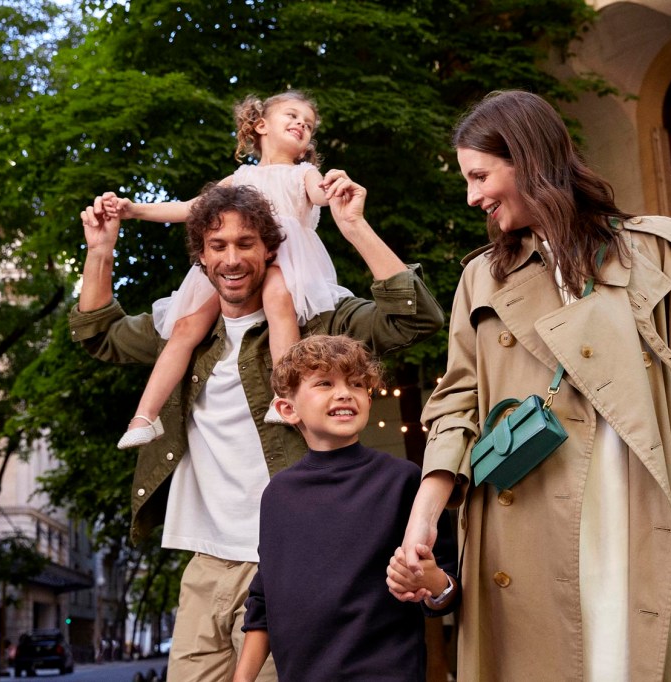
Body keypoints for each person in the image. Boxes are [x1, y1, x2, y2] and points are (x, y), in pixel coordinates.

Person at [392, 90, 671, 681]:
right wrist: (425, 514)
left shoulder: (655, 251)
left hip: (640, 506)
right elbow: (456, 404)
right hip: (523, 520)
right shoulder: (482, 277)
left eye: (480, 175)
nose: (472, 196)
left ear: (528, 159)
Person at [71, 178, 444, 681]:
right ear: (201, 256)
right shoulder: (186, 332)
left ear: (270, 247)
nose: (231, 259)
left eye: (246, 243)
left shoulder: (317, 323)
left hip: (288, 569)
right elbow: (100, 334)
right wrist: (100, 251)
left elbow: (414, 318)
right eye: (218, 245)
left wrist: (353, 225)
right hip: (205, 563)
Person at [108, 90, 354, 449]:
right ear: (261, 125)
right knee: (186, 325)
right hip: (236, 258)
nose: (301, 124)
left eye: (308, 124)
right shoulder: (240, 176)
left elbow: (319, 195)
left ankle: (282, 395)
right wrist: (136, 211)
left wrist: (333, 183)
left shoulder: (304, 173)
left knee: (278, 301)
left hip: (282, 256)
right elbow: (192, 208)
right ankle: (145, 416)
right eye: (292, 115)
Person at [233, 335, 459, 682]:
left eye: (356, 383)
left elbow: (449, 589)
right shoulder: (277, 494)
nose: (344, 393)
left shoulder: (403, 480)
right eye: (325, 383)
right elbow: (263, 601)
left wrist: (430, 581)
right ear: (287, 409)